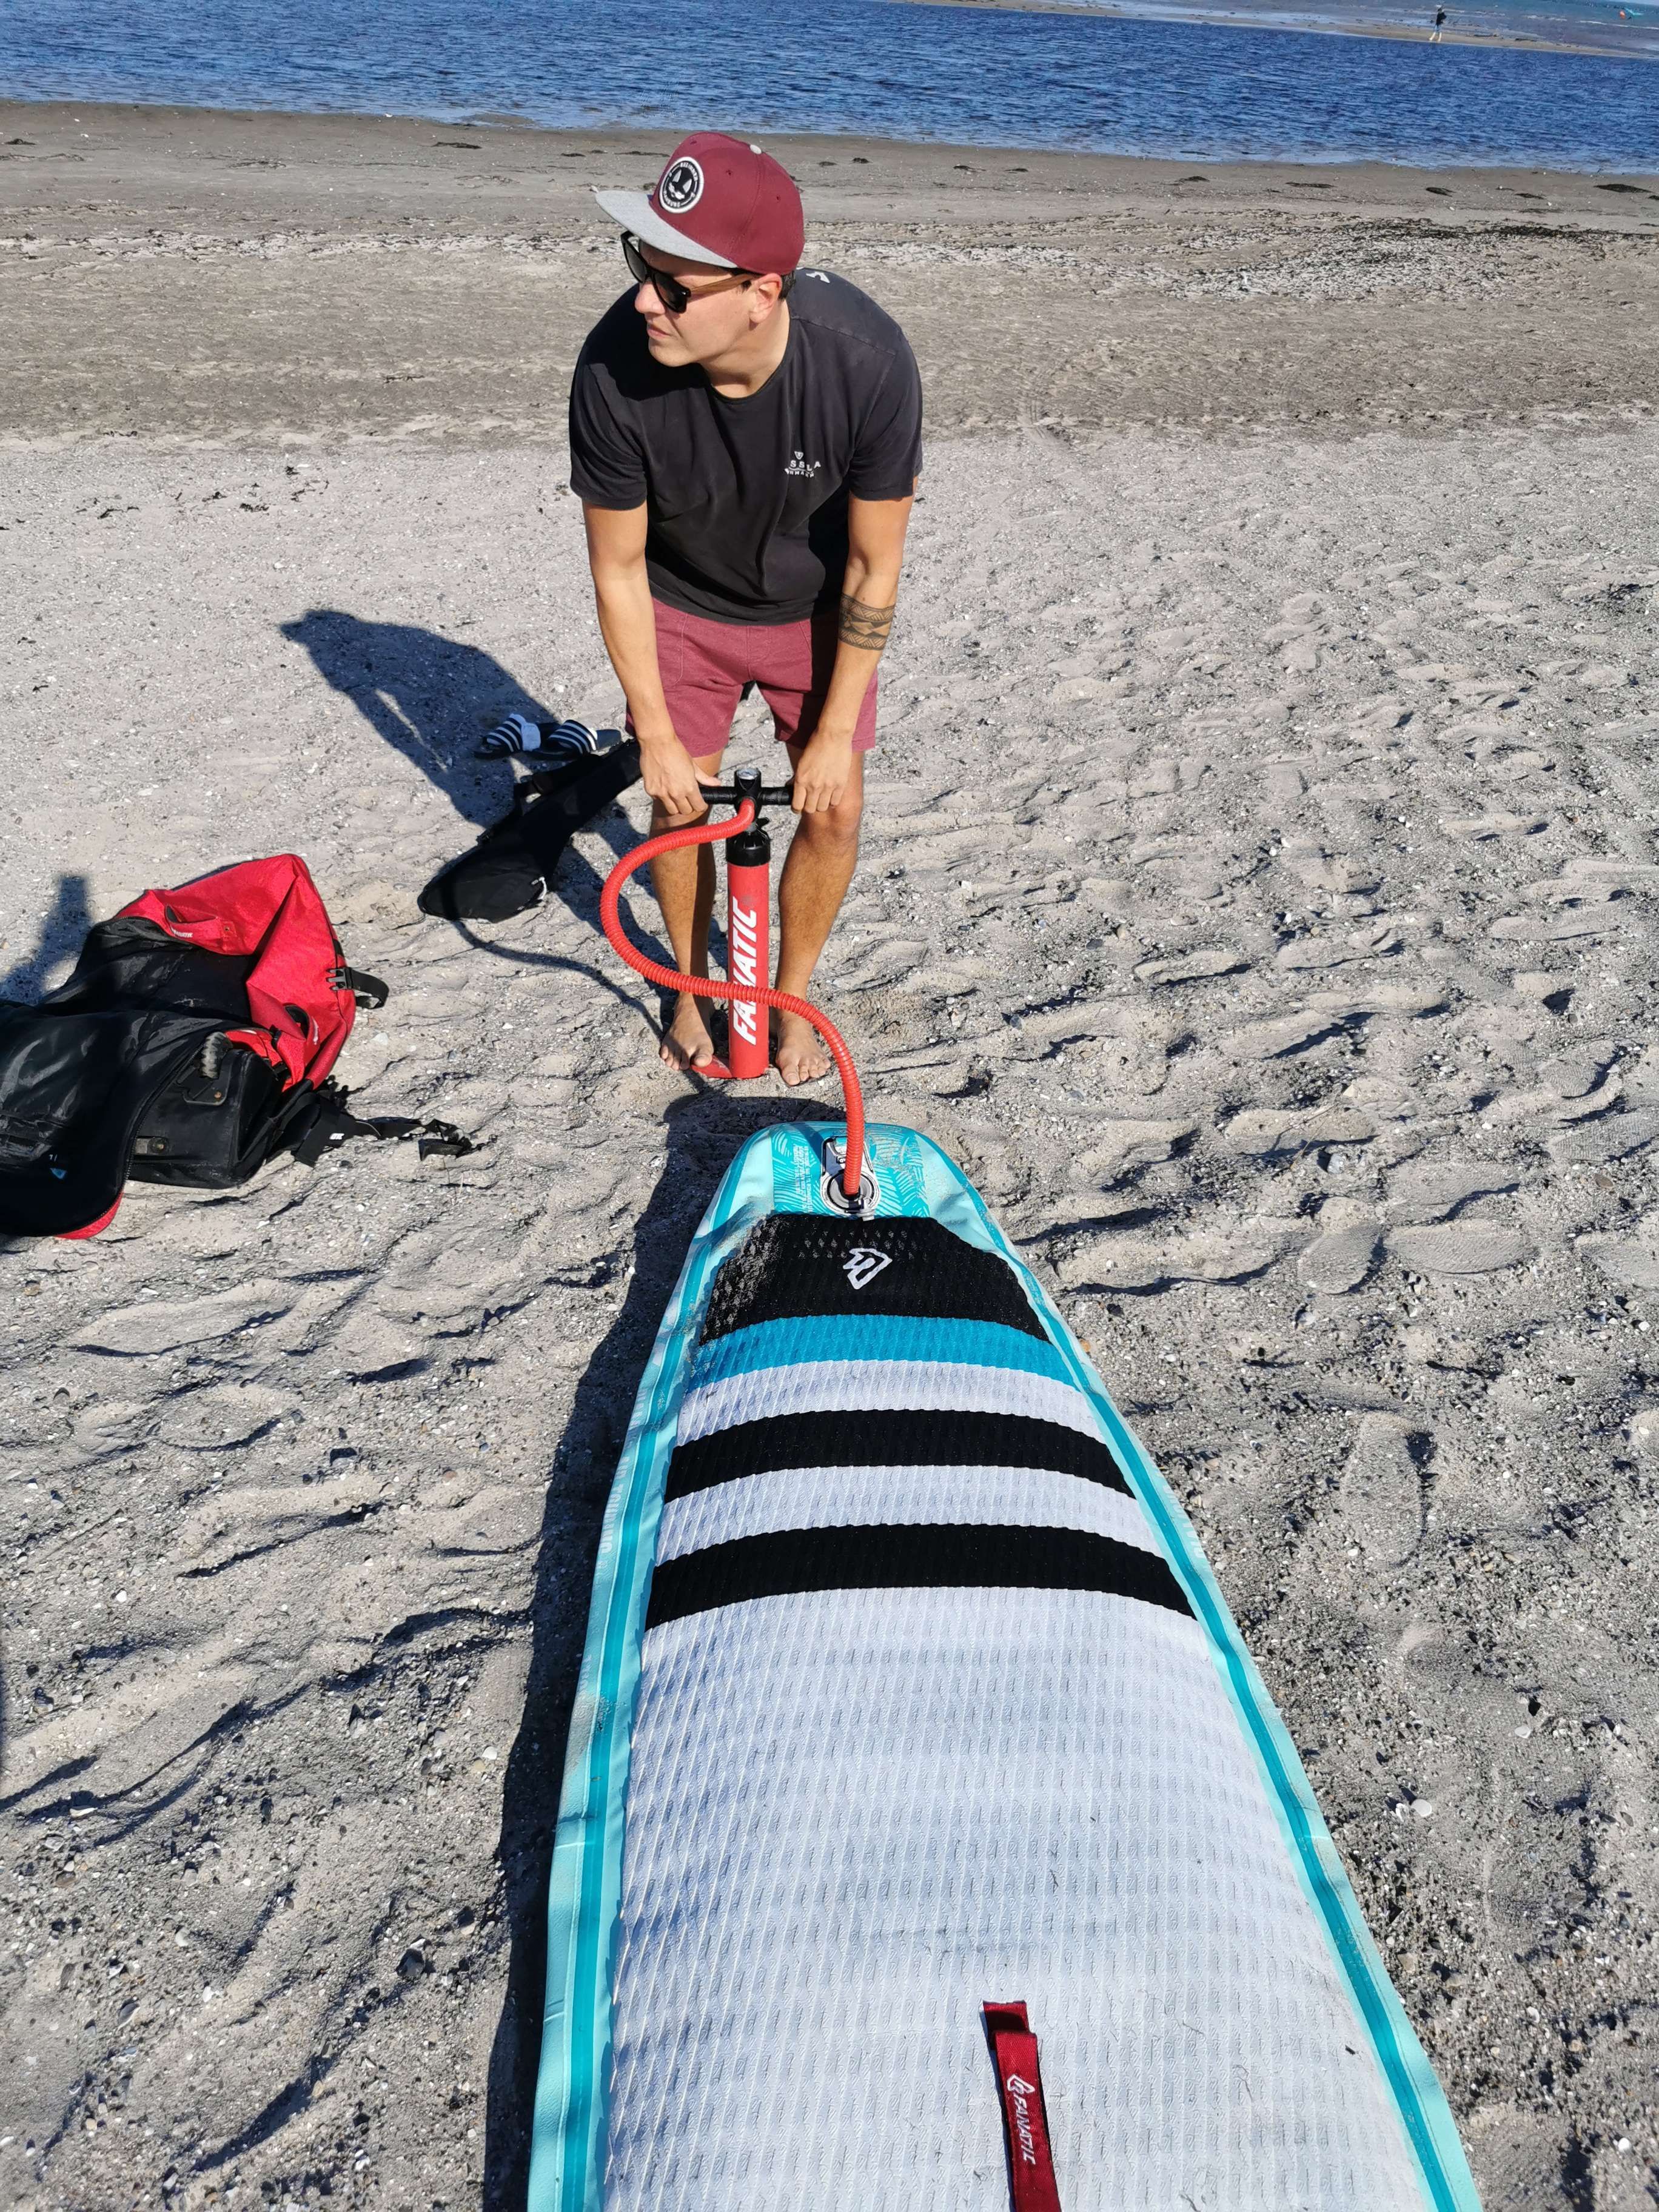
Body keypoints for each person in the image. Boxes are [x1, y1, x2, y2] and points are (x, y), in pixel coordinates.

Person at [570, 134, 922, 1083]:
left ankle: (791, 996)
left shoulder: (868, 363)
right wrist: (652, 734)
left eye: (676, 288)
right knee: (677, 804)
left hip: (813, 611)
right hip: (680, 599)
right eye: (642, 268)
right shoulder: (612, 367)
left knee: (837, 806)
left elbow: (873, 566)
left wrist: (835, 730)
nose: (645, 299)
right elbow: (617, 568)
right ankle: (690, 986)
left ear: (762, 292)